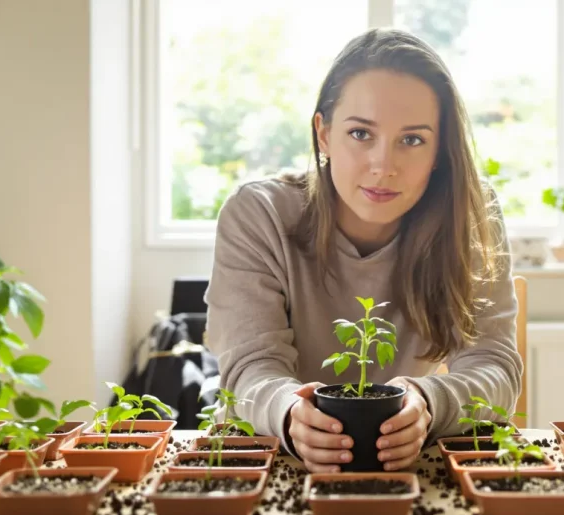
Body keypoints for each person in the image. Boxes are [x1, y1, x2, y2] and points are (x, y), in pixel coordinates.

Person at [204, 28, 522, 474]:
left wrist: (430, 402)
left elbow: (494, 366)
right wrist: (290, 414)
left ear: (438, 152)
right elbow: (250, 368)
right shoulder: (258, 214)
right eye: (360, 133)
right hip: (275, 462)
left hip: (405, 465)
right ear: (324, 135)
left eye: (412, 140)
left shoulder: (468, 214)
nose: (383, 166)